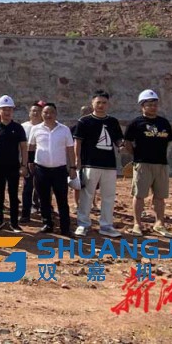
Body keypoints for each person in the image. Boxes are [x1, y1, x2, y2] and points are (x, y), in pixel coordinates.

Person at [124, 89, 172, 238]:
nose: (153, 107)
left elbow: (168, 142)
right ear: (142, 106)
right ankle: (137, 224)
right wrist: (137, 155)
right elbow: (127, 143)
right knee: (139, 195)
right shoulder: (136, 123)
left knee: (160, 196)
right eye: (149, 104)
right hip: (142, 164)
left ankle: (159, 223)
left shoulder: (164, 122)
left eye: (155, 104)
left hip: (161, 164)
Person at [73, 90, 123, 238]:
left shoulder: (113, 122)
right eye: (98, 102)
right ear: (92, 103)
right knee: (87, 195)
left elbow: (118, 139)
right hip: (90, 164)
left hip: (109, 165)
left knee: (108, 196)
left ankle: (106, 226)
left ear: (108, 104)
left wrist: (121, 145)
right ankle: (83, 224)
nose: (101, 105)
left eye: (104, 103)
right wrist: (77, 159)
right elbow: (78, 141)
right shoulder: (84, 121)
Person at [29, 103, 75, 237]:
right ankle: (47, 224)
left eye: (51, 112)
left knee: (62, 200)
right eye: (45, 112)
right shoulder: (36, 129)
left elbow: (70, 149)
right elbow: (31, 146)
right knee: (43, 199)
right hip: (41, 169)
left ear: (56, 114)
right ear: (41, 114)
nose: (48, 115)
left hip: (59, 170)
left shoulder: (64, 130)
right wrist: (30, 163)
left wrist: (72, 167)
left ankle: (65, 228)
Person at [0, 95, 27, 233]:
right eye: (4, 109)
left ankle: (14, 223)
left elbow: (23, 147)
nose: (7, 112)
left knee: (13, 195)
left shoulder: (18, 128)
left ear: (12, 111)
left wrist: (24, 165)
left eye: (9, 109)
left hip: (13, 167)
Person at [20, 100, 45, 223]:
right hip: (27, 160)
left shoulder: (45, 127)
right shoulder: (23, 127)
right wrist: (23, 163)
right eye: (33, 111)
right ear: (29, 113)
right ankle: (25, 213)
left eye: (38, 111)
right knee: (27, 187)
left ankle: (44, 212)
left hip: (41, 161)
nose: (35, 113)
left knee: (43, 188)